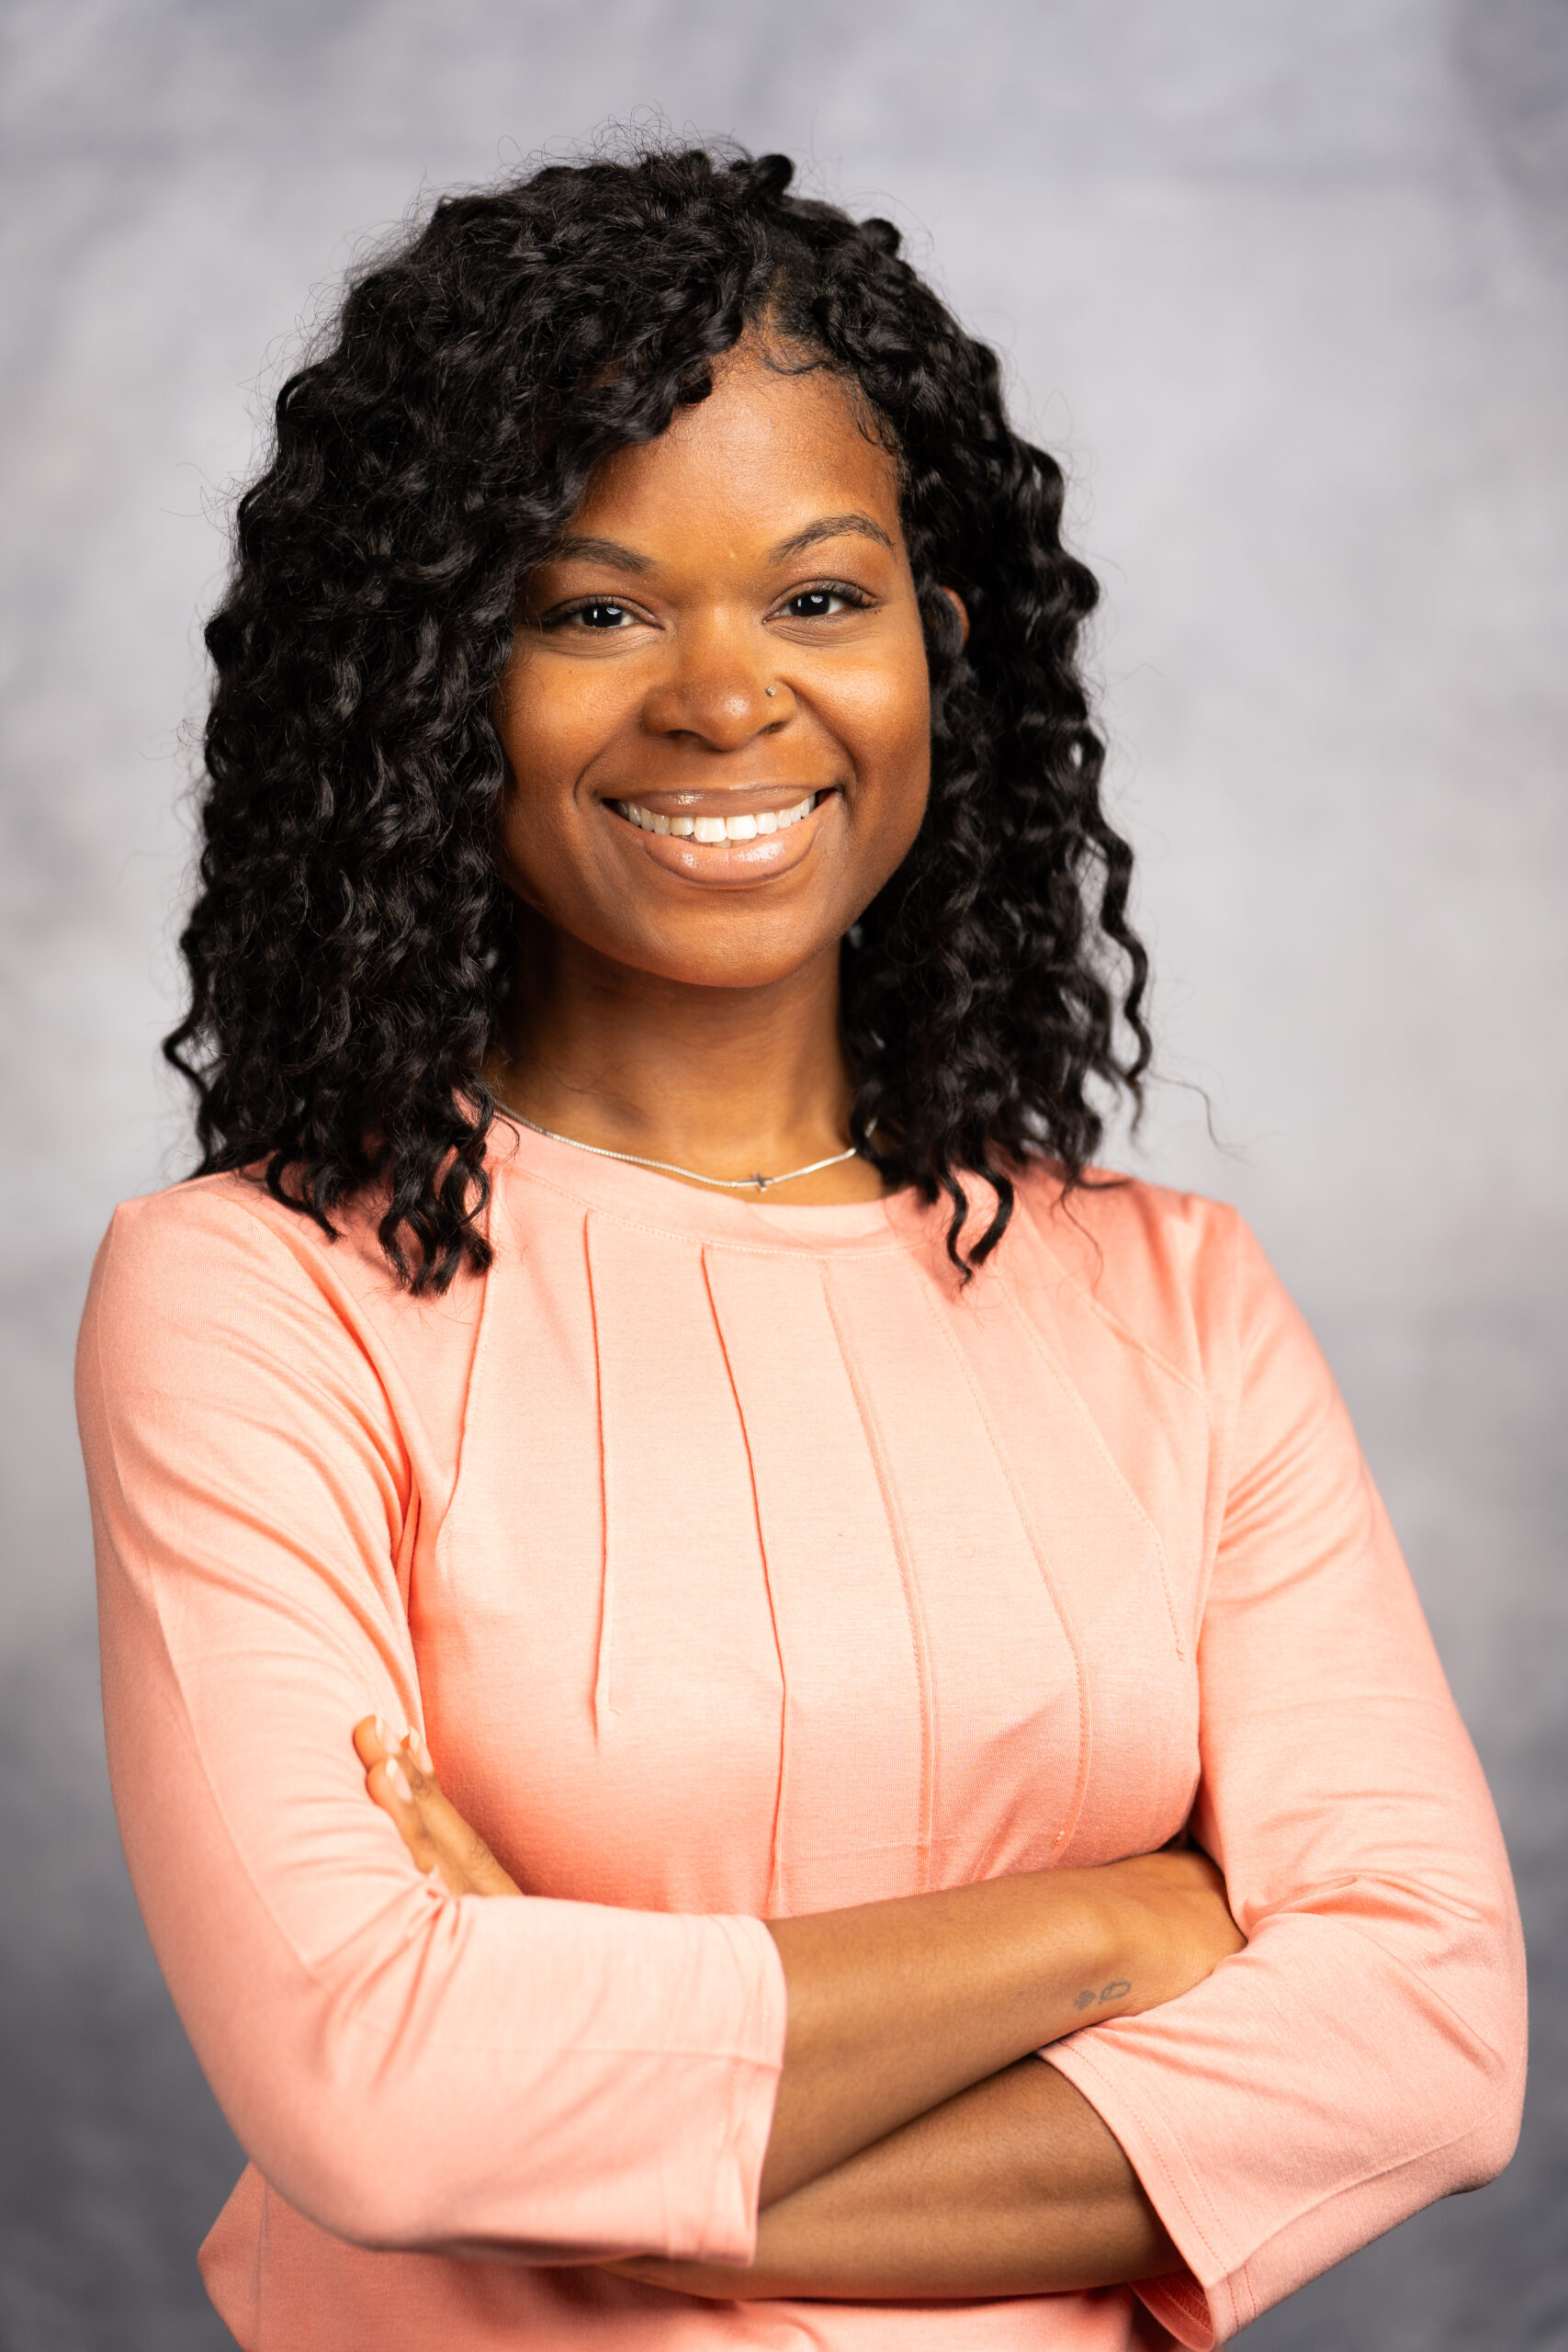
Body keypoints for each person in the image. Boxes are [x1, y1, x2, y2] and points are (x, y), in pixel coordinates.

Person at [75, 144, 1525, 2351]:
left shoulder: (1175, 1303)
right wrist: (1126, 1930)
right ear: (433, 676)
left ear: (943, 649)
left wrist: (624, 2170)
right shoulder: (258, 1296)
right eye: (591, 607)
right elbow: (381, 2089)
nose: (723, 694)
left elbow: (1424, 2033)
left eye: (820, 596)